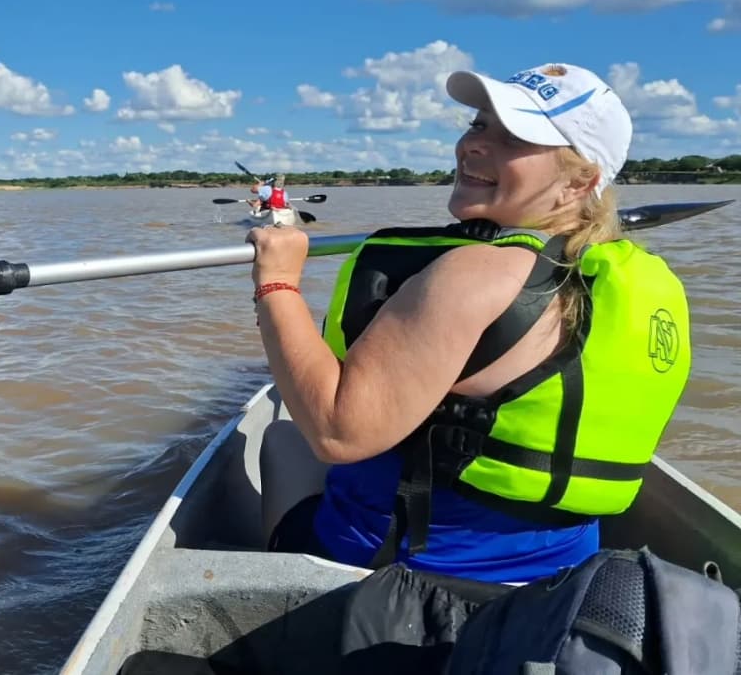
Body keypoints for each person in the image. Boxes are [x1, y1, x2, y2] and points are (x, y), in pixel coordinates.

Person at [247, 63, 691, 583]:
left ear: (581, 181)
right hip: (559, 584)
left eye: (516, 137)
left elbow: (336, 434)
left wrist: (277, 281)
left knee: (281, 440)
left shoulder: (472, 272)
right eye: (479, 125)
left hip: (405, 584)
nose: (475, 146)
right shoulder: (646, 280)